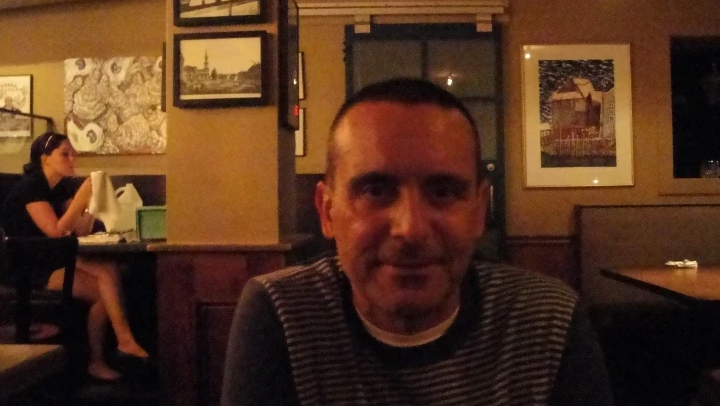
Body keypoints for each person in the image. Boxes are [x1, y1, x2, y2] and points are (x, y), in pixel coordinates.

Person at [221, 78, 613, 405]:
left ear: (479, 211)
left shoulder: (548, 322)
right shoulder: (281, 315)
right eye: (376, 190)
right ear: (326, 212)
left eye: (443, 191)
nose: (411, 229)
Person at [2, 132, 150, 382]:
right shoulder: (31, 186)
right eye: (64, 154)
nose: (72, 160)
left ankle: (110, 351)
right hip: (29, 267)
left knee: (109, 273)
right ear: (44, 158)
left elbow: (80, 230)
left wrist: (90, 205)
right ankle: (110, 351)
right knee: (106, 291)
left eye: (73, 155)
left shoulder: (59, 188)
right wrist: (80, 198)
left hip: (55, 257)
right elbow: (55, 231)